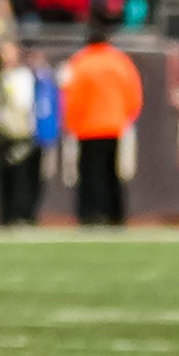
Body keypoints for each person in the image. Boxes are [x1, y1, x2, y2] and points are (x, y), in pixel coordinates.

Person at [61, 28, 142, 227]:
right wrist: (126, 116)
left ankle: (91, 214)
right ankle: (115, 214)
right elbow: (133, 94)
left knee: (89, 174)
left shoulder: (81, 63)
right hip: (114, 125)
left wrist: (70, 123)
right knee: (112, 173)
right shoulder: (120, 62)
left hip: (87, 127)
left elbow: (72, 97)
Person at [0, 35, 46, 226]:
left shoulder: (24, 75)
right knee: (3, 179)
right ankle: (6, 216)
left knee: (23, 179)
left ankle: (23, 216)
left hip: (21, 134)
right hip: (0, 134)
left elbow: (22, 103)